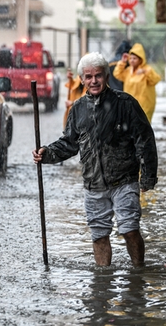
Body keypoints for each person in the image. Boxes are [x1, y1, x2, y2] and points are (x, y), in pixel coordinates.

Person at [32, 52, 158, 267]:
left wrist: (148, 177)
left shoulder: (125, 104)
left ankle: (138, 271)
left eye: (98, 76)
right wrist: (47, 153)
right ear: (81, 79)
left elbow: (145, 141)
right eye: (88, 77)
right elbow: (69, 143)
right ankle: (103, 281)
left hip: (124, 180)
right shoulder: (78, 109)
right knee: (99, 235)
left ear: (106, 76)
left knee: (129, 229)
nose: (93, 81)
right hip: (93, 184)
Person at [112, 43, 161, 123]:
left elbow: (155, 80)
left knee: (143, 126)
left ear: (140, 59)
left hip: (145, 105)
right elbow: (117, 74)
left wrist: (145, 72)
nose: (132, 60)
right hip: (130, 105)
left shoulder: (147, 70)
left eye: (134, 58)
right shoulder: (128, 71)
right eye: (130, 58)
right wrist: (122, 62)